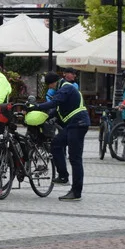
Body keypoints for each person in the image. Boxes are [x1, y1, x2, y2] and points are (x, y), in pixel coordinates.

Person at [32, 72, 89, 201]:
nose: (50, 88)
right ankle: (63, 176)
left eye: (50, 86)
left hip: (78, 124)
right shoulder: (63, 89)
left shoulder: (66, 88)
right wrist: (43, 116)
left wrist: (36, 107)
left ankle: (76, 191)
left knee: (75, 158)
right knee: (56, 144)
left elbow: (54, 103)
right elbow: (56, 110)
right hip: (72, 125)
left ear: (54, 82)